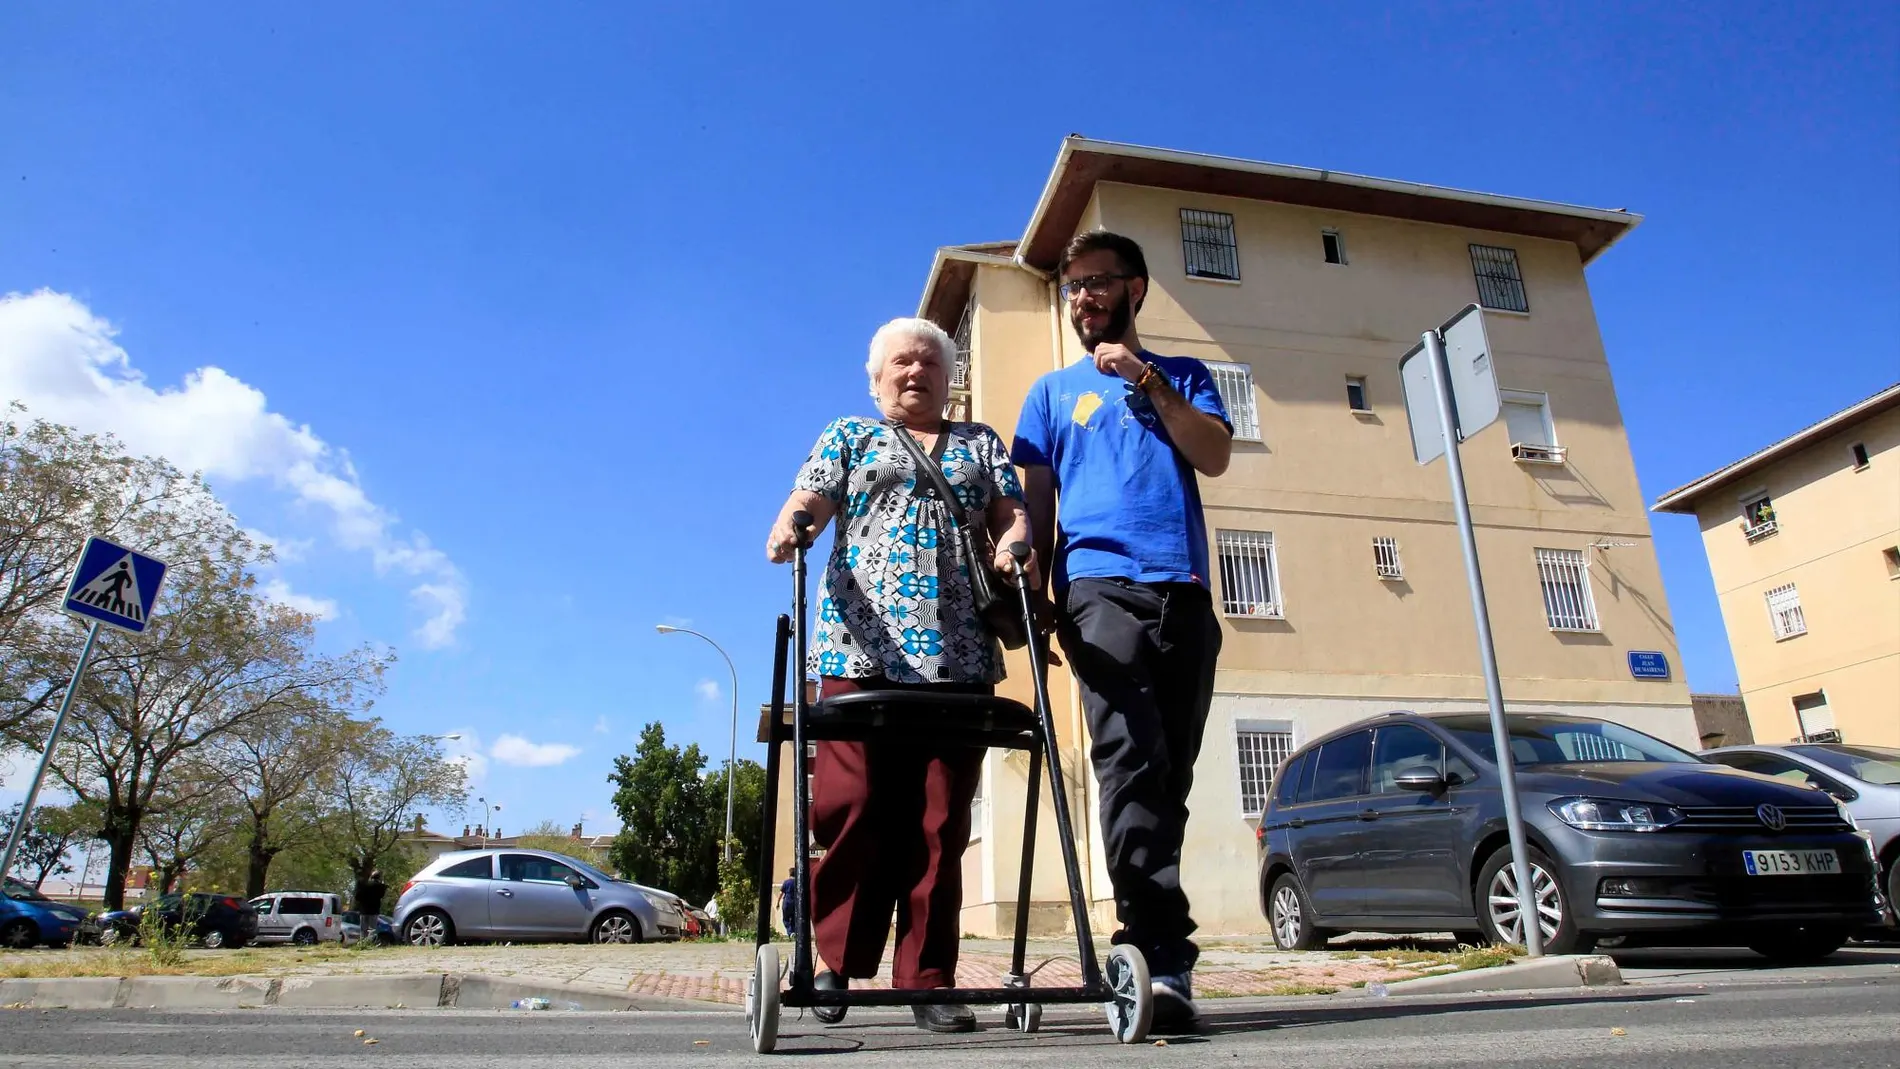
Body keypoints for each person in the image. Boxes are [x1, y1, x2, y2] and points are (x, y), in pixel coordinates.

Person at [766, 316, 1036, 1034]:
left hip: (960, 660)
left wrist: (1016, 542)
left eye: (928, 362)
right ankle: (833, 963)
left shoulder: (980, 443)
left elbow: (1011, 513)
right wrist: (794, 521)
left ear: (950, 378)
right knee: (853, 808)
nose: (914, 372)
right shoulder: (849, 436)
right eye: (900, 363)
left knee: (940, 823)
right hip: (860, 651)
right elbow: (814, 496)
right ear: (876, 377)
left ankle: (929, 979)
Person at [1011, 230, 1232, 1033]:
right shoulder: (1047, 395)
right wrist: (1032, 587)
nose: (1082, 299)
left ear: (1136, 288)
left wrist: (1146, 380)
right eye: (1072, 288)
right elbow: (1035, 512)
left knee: (1168, 774)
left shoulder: (1183, 376)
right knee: (1129, 761)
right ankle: (1157, 954)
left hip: (1185, 593)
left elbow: (1213, 457)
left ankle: (1154, 941)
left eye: (1097, 283)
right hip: (1098, 591)